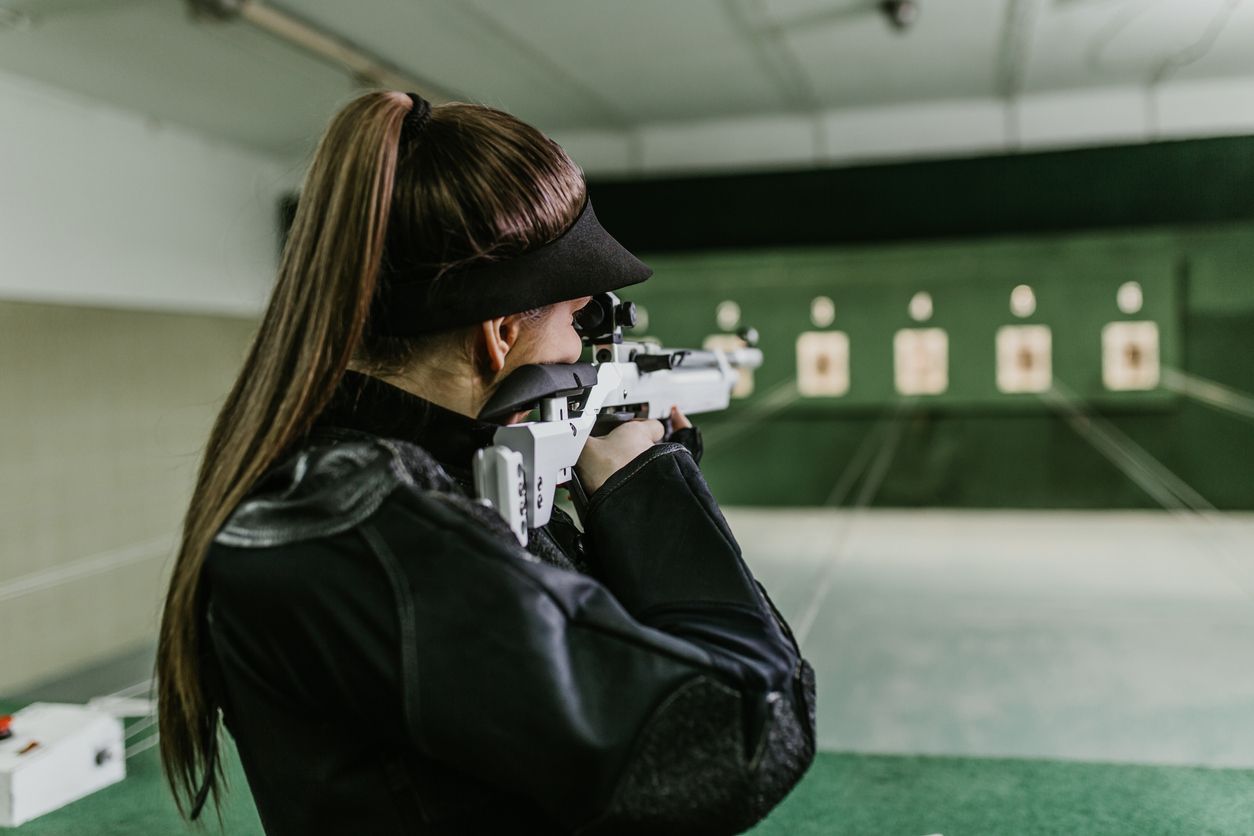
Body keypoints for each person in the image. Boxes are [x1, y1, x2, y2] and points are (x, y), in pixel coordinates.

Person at [156, 90, 816, 835]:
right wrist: (647, 482)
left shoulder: (366, 483)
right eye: (580, 320)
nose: (584, 350)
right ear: (501, 333)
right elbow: (742, 732)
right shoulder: (368, 527)